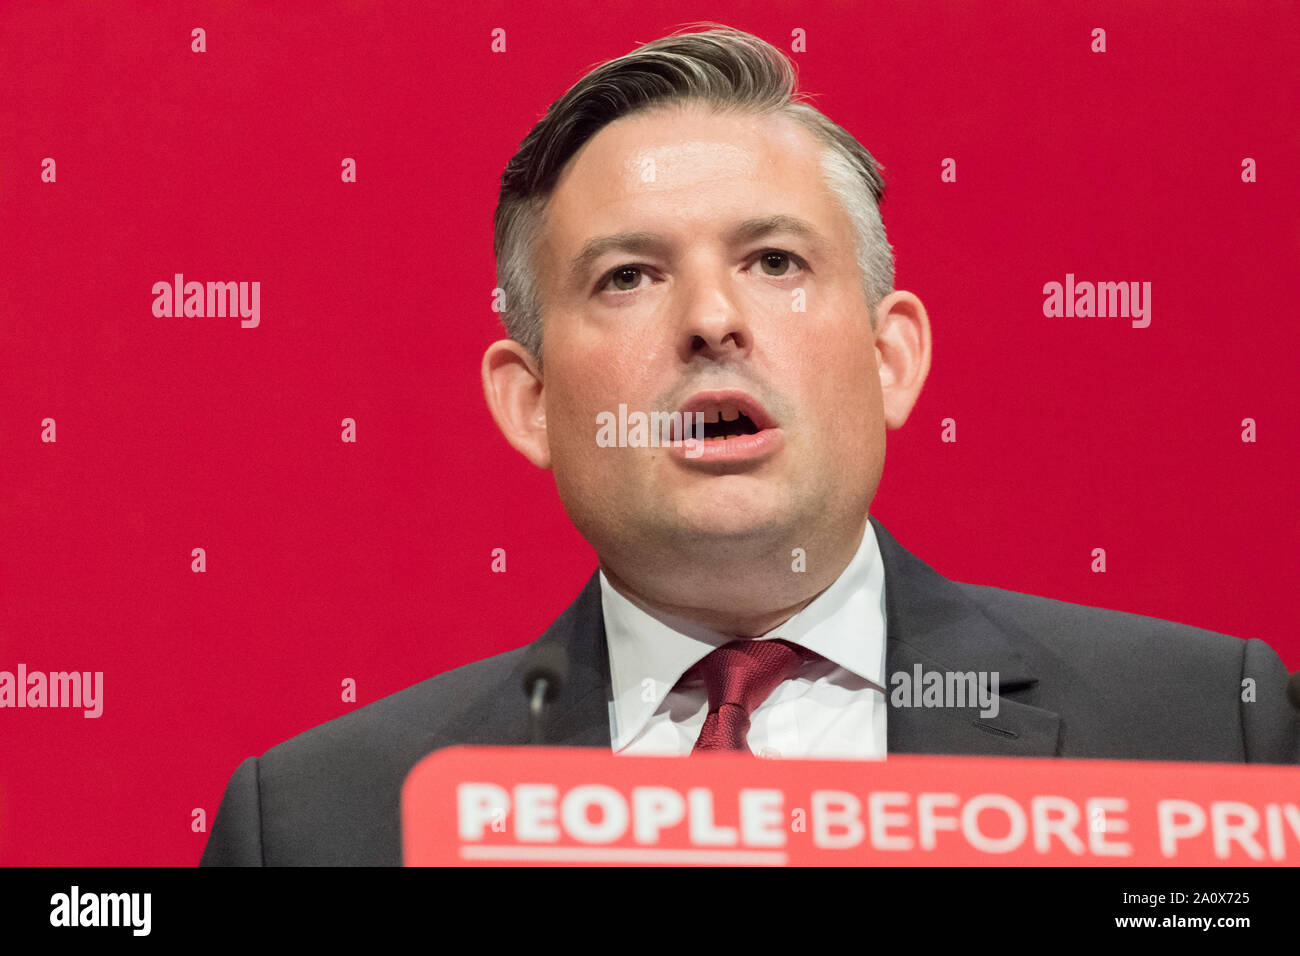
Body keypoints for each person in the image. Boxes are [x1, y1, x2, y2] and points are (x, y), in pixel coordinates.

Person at [200, 25, 1299, 866]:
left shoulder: (1210, 731)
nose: (712, 318)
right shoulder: (325, 821)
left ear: (890, 356)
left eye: (774, 260)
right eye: (628, 275)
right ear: (527, 401)